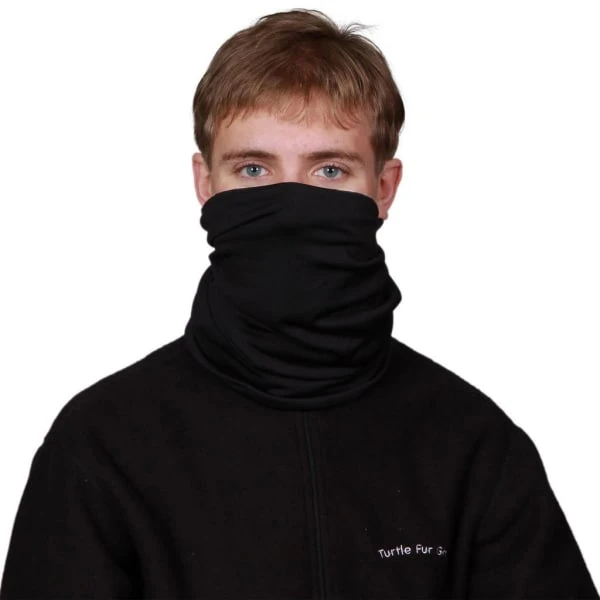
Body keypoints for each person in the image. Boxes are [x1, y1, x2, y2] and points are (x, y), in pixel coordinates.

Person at [0, 8, 598, 599]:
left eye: (330, 170)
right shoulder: (102, 447)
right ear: (205, 183)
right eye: (253, 169)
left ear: (383, 187)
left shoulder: (474, 448)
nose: (290, 202)